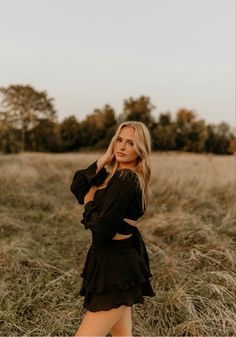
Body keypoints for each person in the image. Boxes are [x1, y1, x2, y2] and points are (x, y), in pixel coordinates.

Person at [70, 121, 156, 337]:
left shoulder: (126, 179)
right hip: (107, 261)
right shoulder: (111, 175)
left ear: (140, 150)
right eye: (119, 140)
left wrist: (90, 203)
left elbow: (102, 228)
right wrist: (105, 158)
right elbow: (78, 185)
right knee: (121, 336)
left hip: (116, 267)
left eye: (131, 143)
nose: (122, 147)